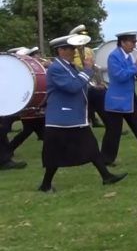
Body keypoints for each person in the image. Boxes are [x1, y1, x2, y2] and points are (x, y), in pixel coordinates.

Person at [39, 35, 127, 192]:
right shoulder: (56, 68)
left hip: (74, 117)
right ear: (60, 50)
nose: (74, 51)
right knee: (54, 154)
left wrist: (93, 84)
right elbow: (72, 87)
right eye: (71, 48)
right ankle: (45, 185)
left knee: (91, 148)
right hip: (62, 118)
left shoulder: (68, 66)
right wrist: (87, 70)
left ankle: (106, 176)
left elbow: (79, 85)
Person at [101, 31, 137, 165]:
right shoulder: (114, 56)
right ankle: (106, 159)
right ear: (123, 42)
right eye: (132, 41)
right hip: (117, 99)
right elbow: (120, 76)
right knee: (113, 131)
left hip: (129, 97)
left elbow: (131, 75)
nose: (134, 44)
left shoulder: (128, 56)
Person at [70, 24, 106, 128]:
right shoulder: (72, 51)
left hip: (91, 77)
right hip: (80, 77)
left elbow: (95, 66)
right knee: (89, 102)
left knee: (95, 100)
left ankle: (96, 121)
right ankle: (92, 120)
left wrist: (100, 81)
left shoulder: (89, 50)